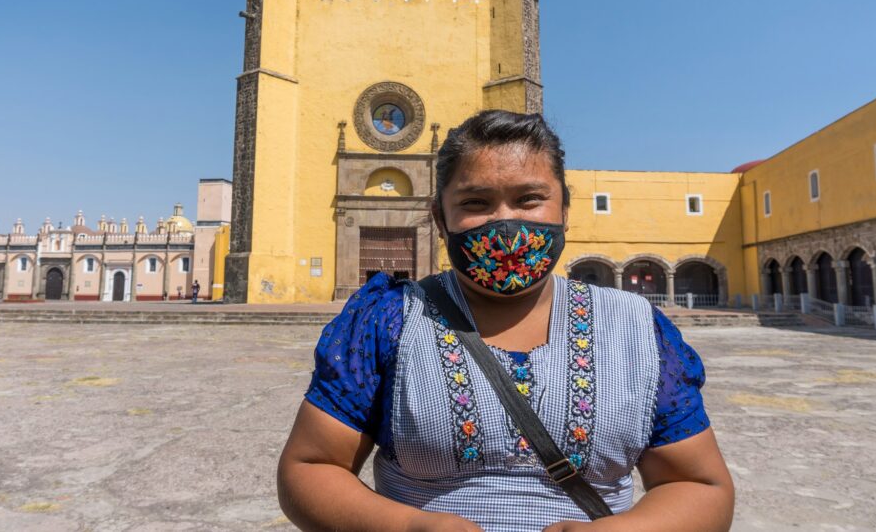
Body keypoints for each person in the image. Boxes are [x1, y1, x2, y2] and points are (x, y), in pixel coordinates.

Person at [278, 110, 734, 531]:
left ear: (565, 211)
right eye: (476, 202)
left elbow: (699, 485)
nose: (506, 223)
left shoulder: (633, 329)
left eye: (529, 199)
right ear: (441, 218)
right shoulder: (388, 321)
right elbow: (310, 467)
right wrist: (412, 527)